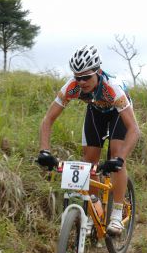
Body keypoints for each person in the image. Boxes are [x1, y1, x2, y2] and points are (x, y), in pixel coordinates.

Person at [37, 45, 140, 235]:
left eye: (86, 77)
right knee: (90, 160)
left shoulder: (113, 88)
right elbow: (48, 119)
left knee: (116, 153)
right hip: (96, 111)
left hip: (119, 112)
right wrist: (44, 151)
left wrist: (121, 159)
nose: (82, 82)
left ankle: (116, 214)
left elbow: (134, 129)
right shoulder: (71, 87)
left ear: (98, 72)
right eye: (77, 77)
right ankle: (95, 209)